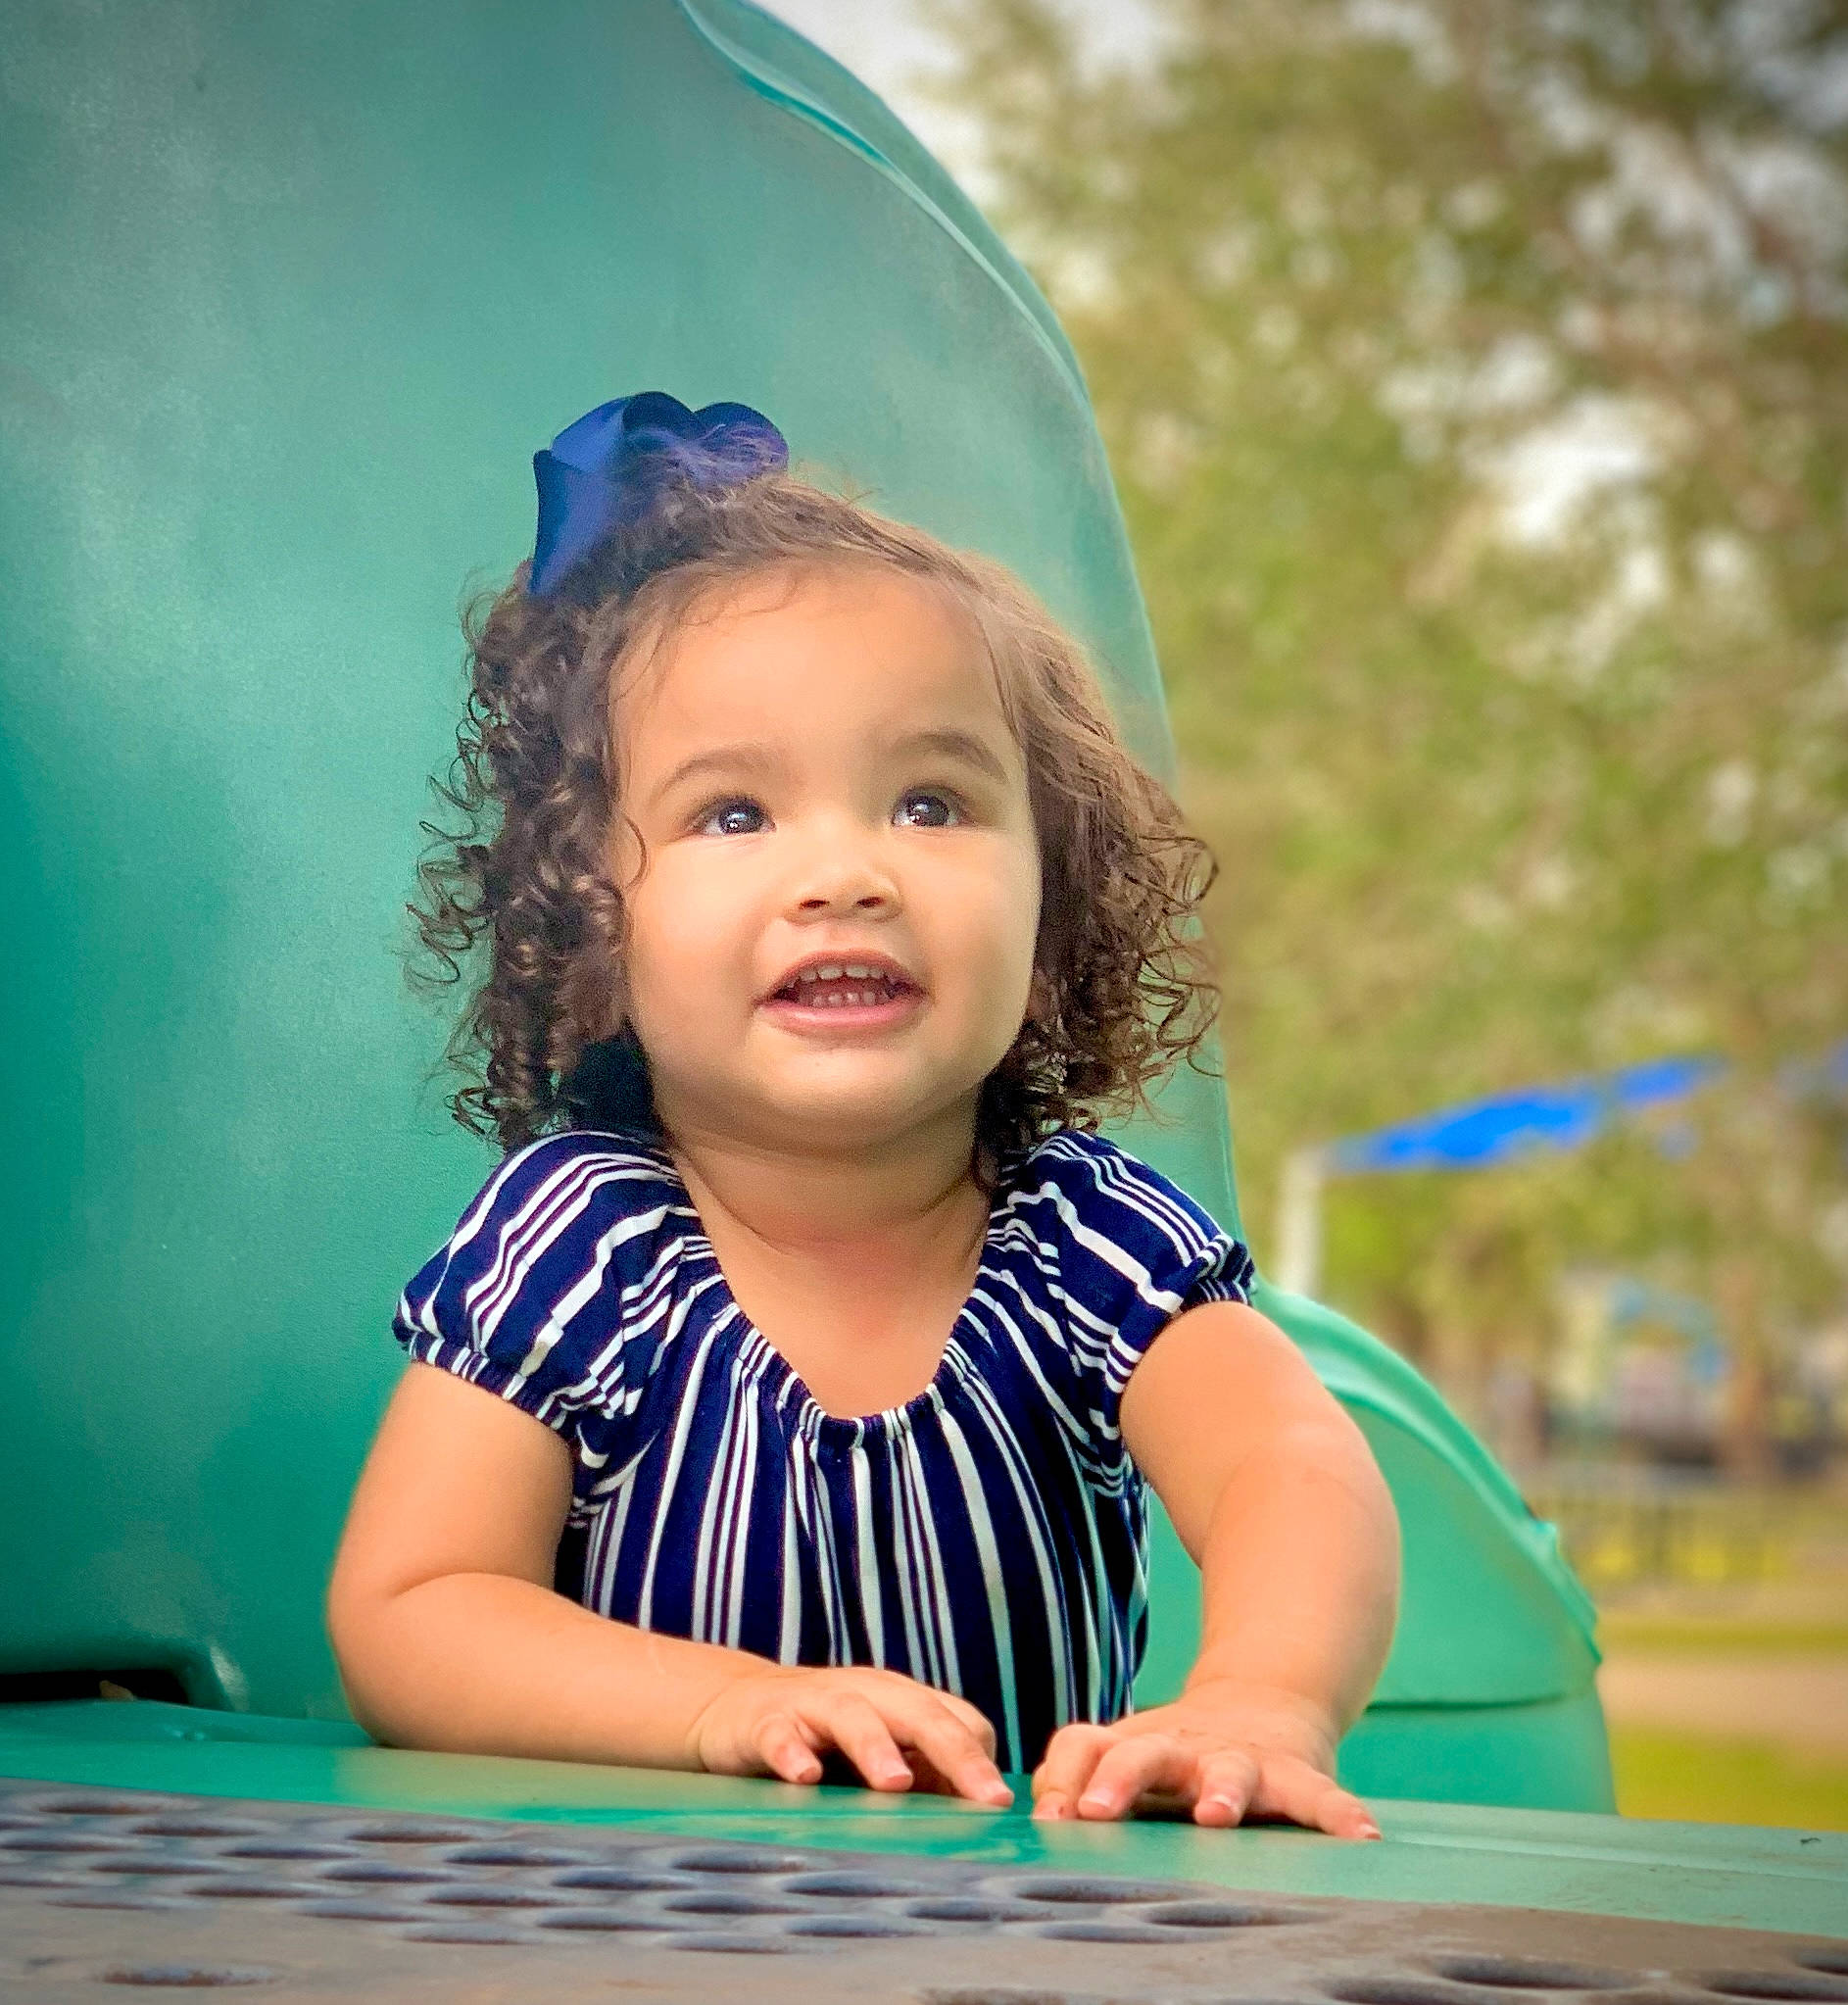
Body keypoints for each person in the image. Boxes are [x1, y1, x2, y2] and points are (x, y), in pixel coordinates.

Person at [327, 393, 1400, 1835]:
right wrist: (722, 1706)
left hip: (1017, 1948)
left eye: (931, 805)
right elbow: (413, 1608)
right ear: (591, 908)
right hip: (624, 1935)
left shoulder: (1086, 1239)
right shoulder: (578, 1245)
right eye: (733, 814)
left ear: (1055, 889)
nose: (846, 872)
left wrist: (1261, 1700)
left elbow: (1295, 1466)